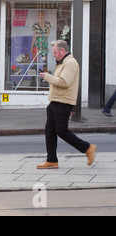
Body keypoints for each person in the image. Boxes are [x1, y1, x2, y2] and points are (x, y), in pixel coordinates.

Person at [38, 40, 97, 169]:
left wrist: (47, 77)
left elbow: (64, 82)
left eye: (55, 52)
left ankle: (88, 148)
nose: (53, 55)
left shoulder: (70, 63)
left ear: (62, 51)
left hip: (63, 102)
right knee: (50, 131)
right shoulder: (63, 63)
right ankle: (51, 160)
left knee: (61, 131)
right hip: (56, 101)